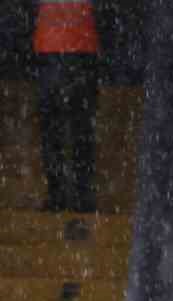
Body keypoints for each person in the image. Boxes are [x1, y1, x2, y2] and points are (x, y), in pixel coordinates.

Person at [33, 0, 101, 214]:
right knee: (80, 127)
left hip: (52, 45)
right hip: (79, 45)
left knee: (54, 128)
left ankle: (59, 194)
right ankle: (78, 194)